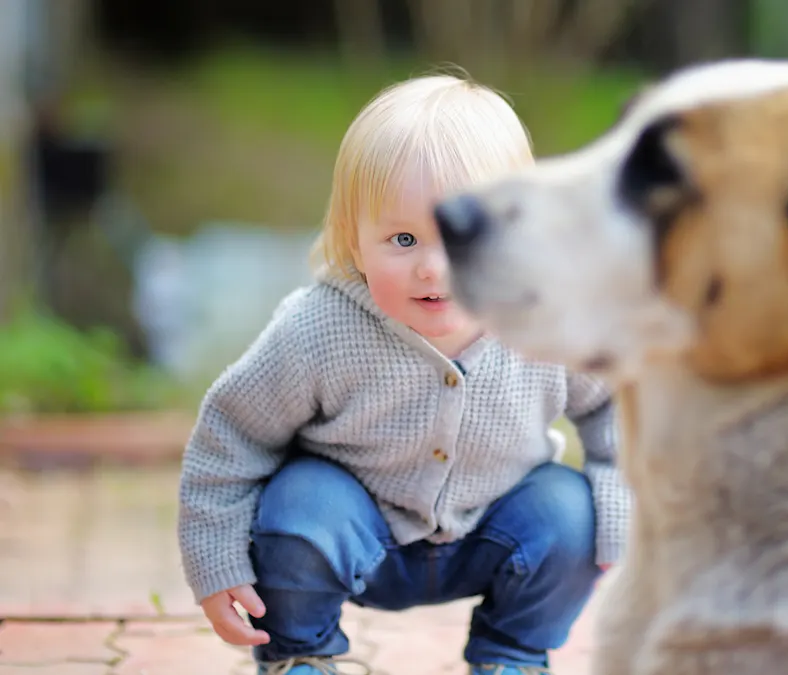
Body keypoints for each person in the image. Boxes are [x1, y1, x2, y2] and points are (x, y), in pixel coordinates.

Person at [176, 72, 630, 675]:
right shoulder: (319, 330)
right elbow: (229, 437)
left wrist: (621, 506)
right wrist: (216, 564)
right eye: (404, 239)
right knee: (299, 505)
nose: (433, 270)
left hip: (493, 534)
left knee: (569, 511)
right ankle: (300, 654)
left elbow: (620, 402)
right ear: (355, 244)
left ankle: (513, 655)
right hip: (355, 537)